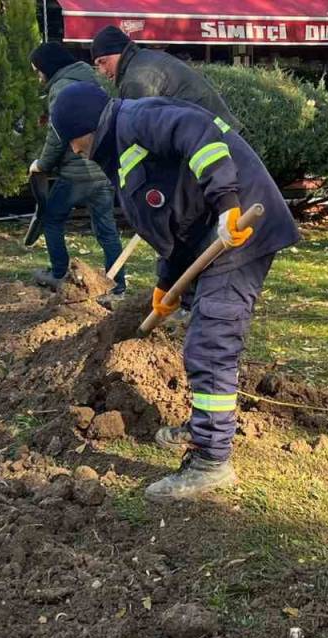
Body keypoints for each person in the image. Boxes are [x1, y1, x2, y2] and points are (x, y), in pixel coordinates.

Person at [52, 82, 301, 500]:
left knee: (211, 344)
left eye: (73, 142)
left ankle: (210, 461)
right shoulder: (121, 155)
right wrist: (166, 284)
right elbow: (172, 224)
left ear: (84, 128)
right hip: (211, 236)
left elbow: (197, 131)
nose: (75, 152)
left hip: (240, 231)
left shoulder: (136, 119)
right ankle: (206, 423)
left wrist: (226, 203)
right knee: (201, 338)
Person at [27, 42, 126, 299]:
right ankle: (117, 286)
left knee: (51, 219)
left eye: (38, 71)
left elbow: (57, 135)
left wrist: (42, 164)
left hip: (76, 173)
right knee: (107, 229)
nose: (39, 78)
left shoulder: (61, 88)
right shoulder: (92, 80)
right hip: (102, 170)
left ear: (49, 67)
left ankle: (59, 274)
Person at [90, 26, 241, 132]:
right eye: (97, 66)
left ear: (119, 52)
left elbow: (146, 134)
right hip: (221, 134)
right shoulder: (143, 60)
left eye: (103, 61)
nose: (102, 71)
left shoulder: (136, 79)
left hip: (217, 140)